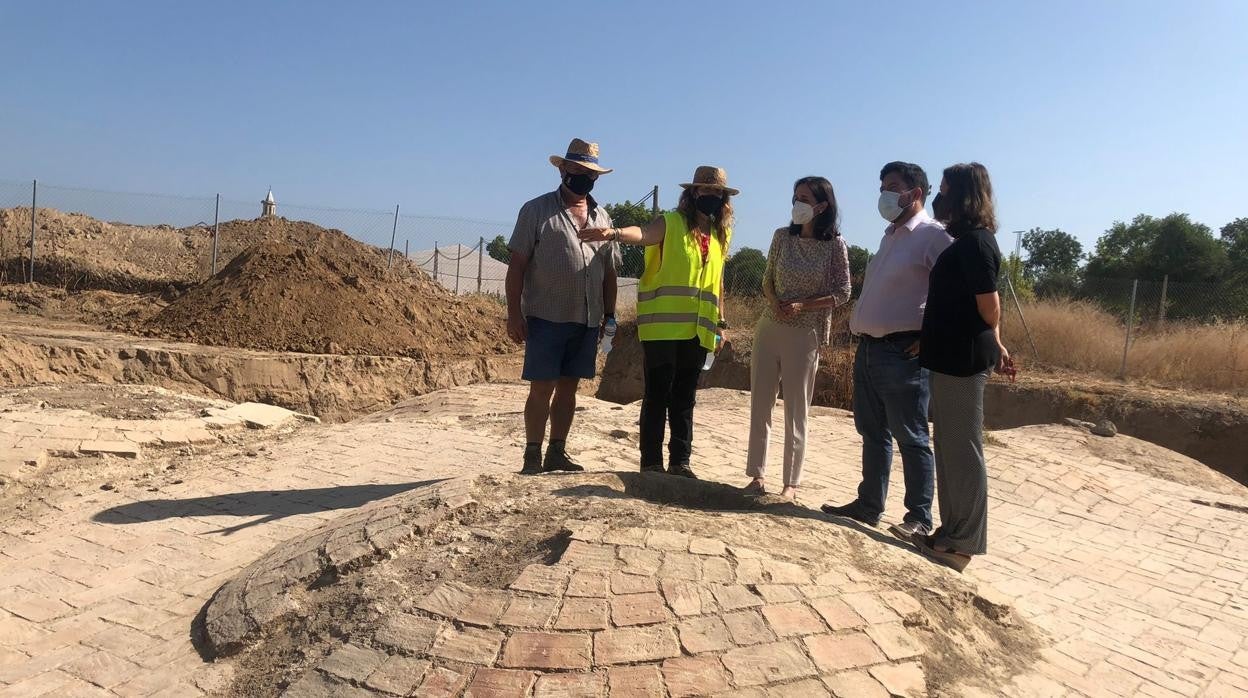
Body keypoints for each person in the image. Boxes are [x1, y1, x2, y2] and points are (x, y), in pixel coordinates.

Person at [579, 166, 735, 478]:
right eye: (706, 191)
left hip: (698, 330)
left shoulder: (721, 234)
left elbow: (717, 281)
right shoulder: (672, 223)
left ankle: (681, 461)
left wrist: (720, 323)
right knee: (658, 395)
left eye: (717, 193)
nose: (712, 197)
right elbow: (645, 235)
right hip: (662, 328)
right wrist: (616, 233)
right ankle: (651, 463)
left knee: (685, 398)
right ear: (693, 193)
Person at [822, 162, 951, 536]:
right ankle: (869, 504)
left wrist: (930, 337)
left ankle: (919, 517)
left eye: (892, 186)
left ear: (916, 193)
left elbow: (956, 293)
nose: (884, 194)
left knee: (911, 435)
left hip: (903, 355)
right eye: (882, 186)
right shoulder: (891, 235)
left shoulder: (933, 236)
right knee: (873, 431)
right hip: (869, 351)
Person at [912, 162, 1011, 572]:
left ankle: (963, 542)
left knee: (963, 450)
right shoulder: (968, 242)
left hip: (963, 361)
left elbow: (989, 306)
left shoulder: (977, 245)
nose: (939, 196)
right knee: (949, 448)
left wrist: (996, 341)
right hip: (949, 359)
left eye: (945, 188)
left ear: (965, 196)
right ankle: (950, 533)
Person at [505, 138, 619, 475]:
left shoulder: (602, 216)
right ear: (563, 169)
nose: (584, 177)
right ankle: (531, 455)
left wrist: (609, 316)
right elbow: (517, 266)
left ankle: (558, 451)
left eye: (590, 173)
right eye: (578, 170)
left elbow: (610, 272)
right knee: (542, 387)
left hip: (586, 320)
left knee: (570, 388)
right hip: (545, 317)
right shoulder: (536, 211)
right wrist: (514, 313)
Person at [743, 177, 851, 502]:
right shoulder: (781, 237)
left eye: (804, 198)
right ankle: (756, 476)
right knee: (760, 403)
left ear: (822, 206)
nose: (797, 203)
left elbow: (843, 292)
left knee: (796, 408)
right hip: (770, 326)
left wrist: (805, 305)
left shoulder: (835, 245)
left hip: (806, 334)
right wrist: (774, 300)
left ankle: (791, 483)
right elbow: (766, 279)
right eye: (795, 197)